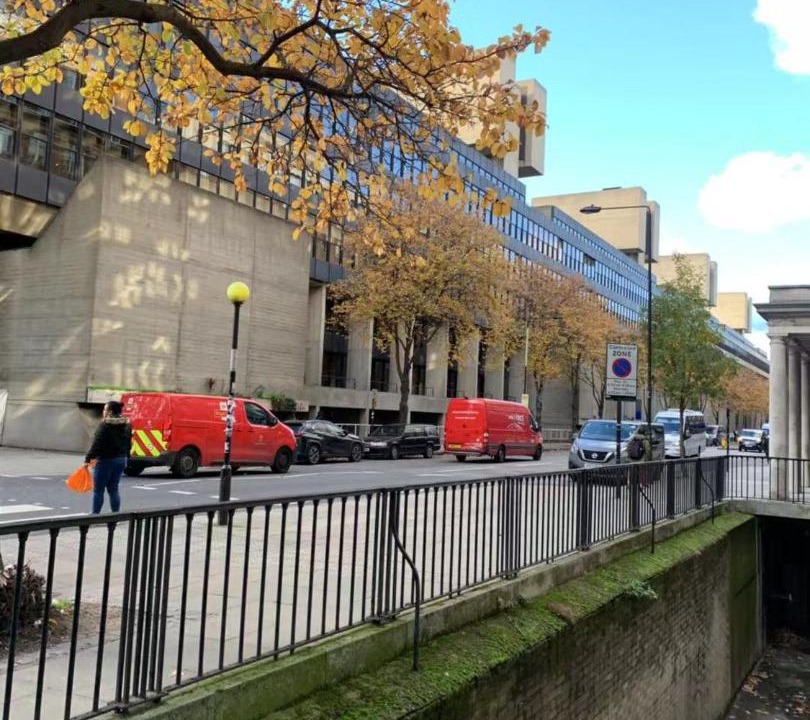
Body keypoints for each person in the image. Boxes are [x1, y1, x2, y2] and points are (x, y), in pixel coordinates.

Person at [85, 400, 132, 514]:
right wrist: (126, 456)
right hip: (121, 460)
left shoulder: (105, 425)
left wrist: (88, 459)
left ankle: (95, 515)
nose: (103, 411)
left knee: (98, 490)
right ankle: (115, 514)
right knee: (113, 489)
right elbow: (129, 442)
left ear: (110, 411)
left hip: (105, 460)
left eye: (105, 409)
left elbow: (97, 443)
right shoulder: (127, 424)